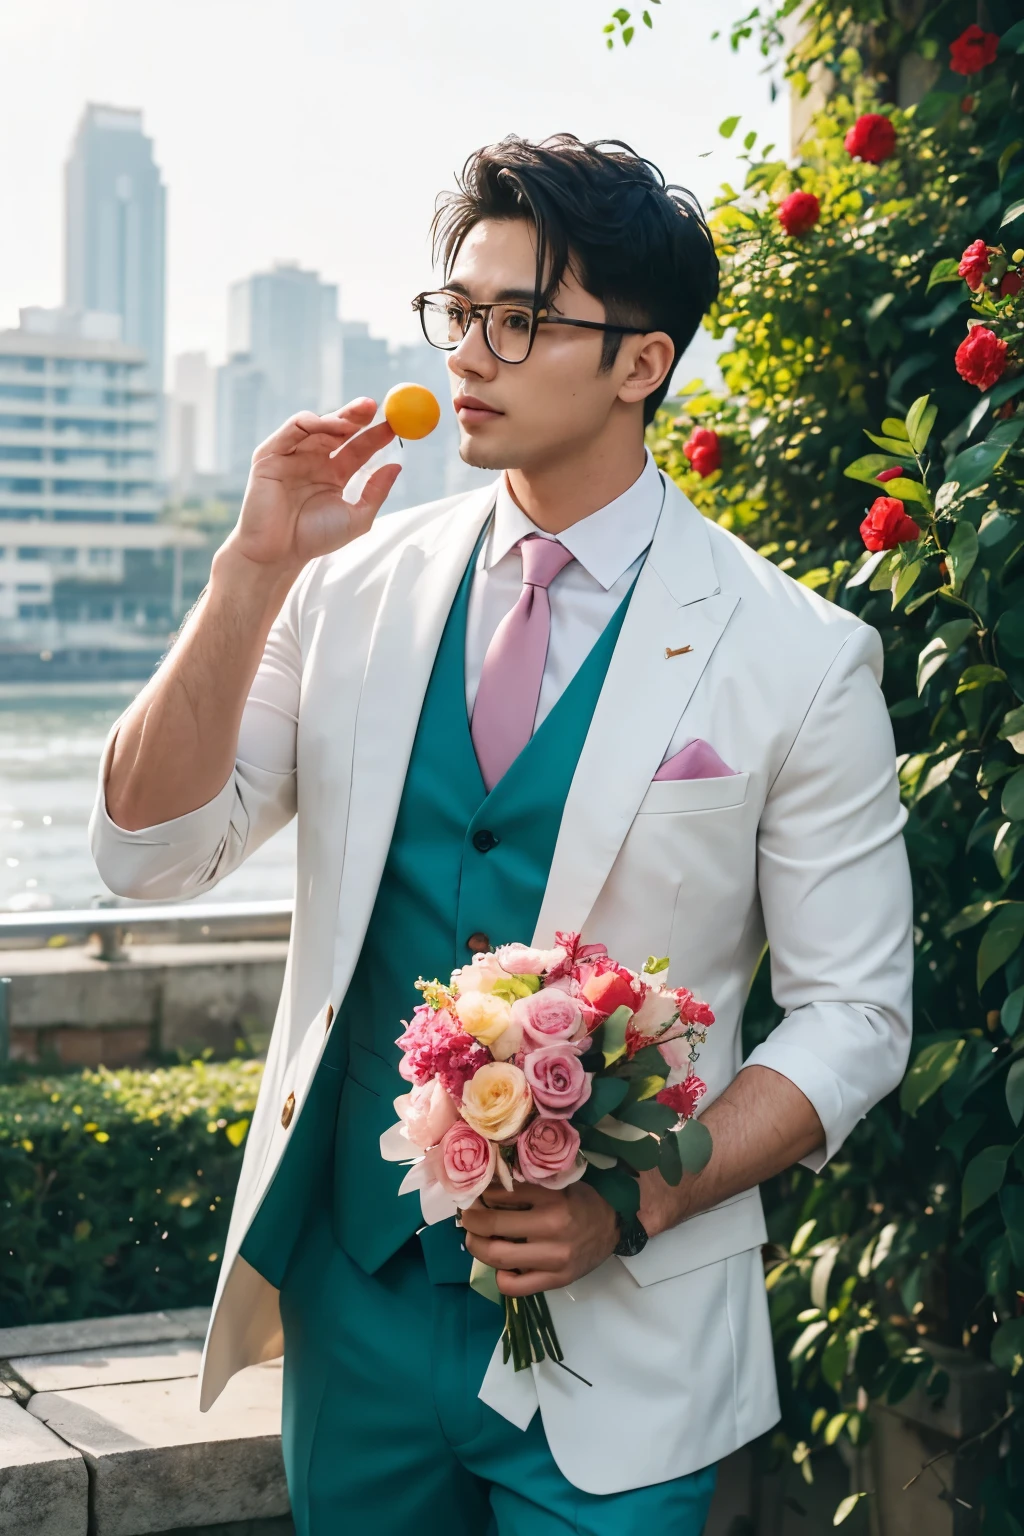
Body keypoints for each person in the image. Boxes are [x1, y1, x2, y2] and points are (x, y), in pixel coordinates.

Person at [90, 135, 913, 1536]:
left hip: (629, 1332)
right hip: (355, 1311)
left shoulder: (799, 654)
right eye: (456, 311)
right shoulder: (347, 586)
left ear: (641, 365)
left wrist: (641, 1197)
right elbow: (149, 856)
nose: (468, 351)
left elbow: (856, 1016)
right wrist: (249, 572)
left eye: (518, 320)